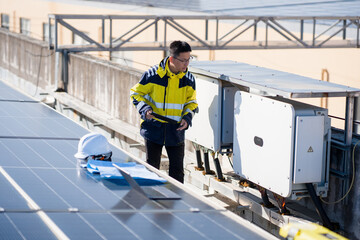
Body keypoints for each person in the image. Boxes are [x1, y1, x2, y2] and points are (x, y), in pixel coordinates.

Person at [130, 40, 198, 183]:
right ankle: (151, 200)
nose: (187, 64)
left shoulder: (189, 79)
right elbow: (135, 94)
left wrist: (187, 118)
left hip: (176, 130)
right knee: (152, 169)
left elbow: (192, 103)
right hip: (153, 128)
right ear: (172, 59)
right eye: (183, 60)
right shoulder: (152, 74)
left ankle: (177, 203)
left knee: (177, 174)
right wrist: (145, 109)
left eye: (189, 60)